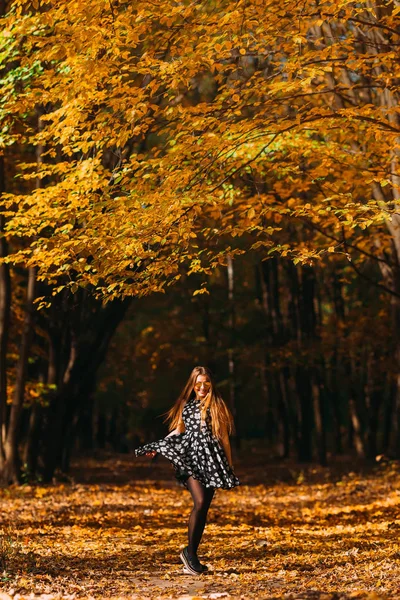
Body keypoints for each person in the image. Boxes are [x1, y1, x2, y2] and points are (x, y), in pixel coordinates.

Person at [134, 366, 240, 575]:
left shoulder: (217, 405)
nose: (202, 387)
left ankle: (190, 553)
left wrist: (229, 466)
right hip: (191, 458)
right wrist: (158, 446)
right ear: (192, 385)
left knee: (204, 507)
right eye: (198, 383)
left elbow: (224, 438)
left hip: (212, 460)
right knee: (199, 502)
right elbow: (179, 429)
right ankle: (190, 556)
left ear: (211, 383)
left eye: (206, 382)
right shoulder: (187, 406)